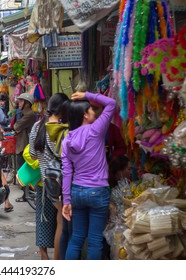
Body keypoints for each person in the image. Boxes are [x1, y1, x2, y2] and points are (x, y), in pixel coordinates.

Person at [61, 91, 117, 260]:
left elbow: (67, 172)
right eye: (91, 109)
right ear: (85, 115)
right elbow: (111, 103)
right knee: (94, 241)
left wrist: (66, 200)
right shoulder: (96, 130)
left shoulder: (67, 140)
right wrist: (87, 94)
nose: (94, 111)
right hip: (98, 191)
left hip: (77, 191)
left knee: (76, 238)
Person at [29, 93, 70, 260]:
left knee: (43, 221)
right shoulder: (65, 128)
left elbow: (32, 154)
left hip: (43, 181)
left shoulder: (37, 126)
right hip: (61, 182)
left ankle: (44, 257)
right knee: (61, 221)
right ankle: (57, 261)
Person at [13, 93, 36, 170]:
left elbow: (16, 126)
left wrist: (18, 127)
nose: (18, 103)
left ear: (27, 104)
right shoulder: (23, 114)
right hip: (22, 146)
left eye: (21, 101)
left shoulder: (29, 115)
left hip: (25, 147)